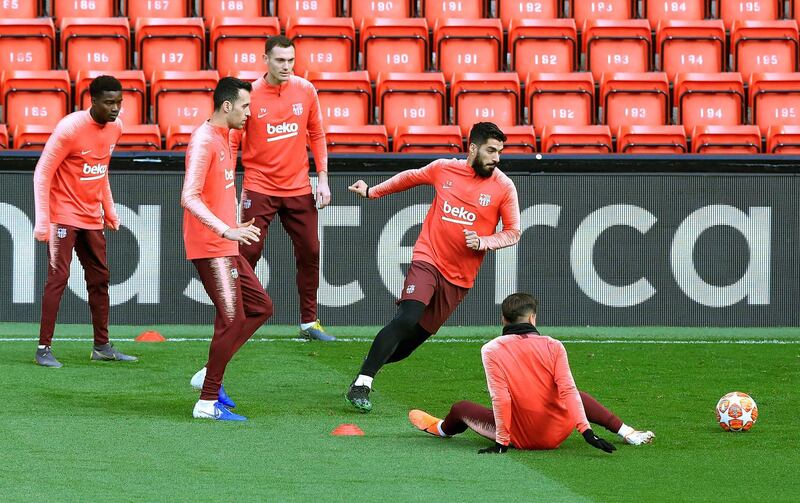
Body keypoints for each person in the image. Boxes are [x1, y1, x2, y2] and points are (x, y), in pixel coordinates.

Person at [345, 122, 520, 412]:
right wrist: (371, 192)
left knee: (408, 345)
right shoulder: (443, 169)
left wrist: (485, 241)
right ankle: (364, 382)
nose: (496, 158)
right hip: (428, 258)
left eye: (500, 152)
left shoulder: (503, 186)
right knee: (407, 316)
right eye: (491, 150)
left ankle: (370, 363)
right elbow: (410, 178)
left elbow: (514, 231)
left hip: (460, 278)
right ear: (473, 148)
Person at [408, 292, 655, 453]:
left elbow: (500, 398)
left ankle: (441, 428)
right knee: (578, 394)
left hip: (520, 437)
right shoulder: (553, 345)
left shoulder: (492, 349)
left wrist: (501, 443)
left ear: (503, 320)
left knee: (461, 408)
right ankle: (628, 432)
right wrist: (586, 432)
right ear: (533, 318)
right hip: (557, 433)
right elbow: (568, 391)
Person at [228, 35, 334, 341]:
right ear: (266, 59)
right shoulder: (249, 94)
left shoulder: (305, 90)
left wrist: (323, 178)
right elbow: (233, 140)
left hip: (299, 186)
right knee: (248, 252)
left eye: (290, 60)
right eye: (279, 60)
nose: (286, 66)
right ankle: (234, 315)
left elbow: (317, 134)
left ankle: (309, 323)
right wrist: (229, 188)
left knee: (311, 250)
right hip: (259, 186)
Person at [182, 77, 274, 421]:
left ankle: (209, 374)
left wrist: (233, 224)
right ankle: (206, 403)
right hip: (211, 245)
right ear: (227, 107)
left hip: (225, 244)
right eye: (245, 106)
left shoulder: (226, 136)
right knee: (233, 319)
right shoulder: (204, 141)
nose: (249, 113)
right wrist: (227, 230)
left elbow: (221, 189)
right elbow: (189, 197)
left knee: (261, 307)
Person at [32, 75, 137, 367]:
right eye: (109, 103)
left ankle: (102, 346)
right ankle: (43, 348)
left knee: (100, 279)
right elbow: (42, 173)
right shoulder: (70, 128)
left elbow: (100, 170)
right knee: (58, 278)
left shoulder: (116, 128)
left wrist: (110, 209)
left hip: (92, 216)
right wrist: (43, 220)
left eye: (119, 102)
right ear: (92, 101)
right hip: (63, 214)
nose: (115, 108)